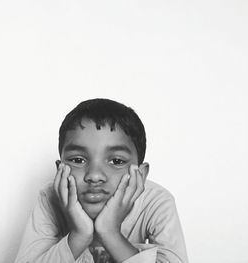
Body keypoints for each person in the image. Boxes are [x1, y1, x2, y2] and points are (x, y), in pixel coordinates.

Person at [15, 98, 188, 263]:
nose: (95, 176)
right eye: (78, 160)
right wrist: (79, 235)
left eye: (117, 161)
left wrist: (110, 232)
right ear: (60, 171)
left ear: (140, 175)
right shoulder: (50, 197)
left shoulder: (157, 202)